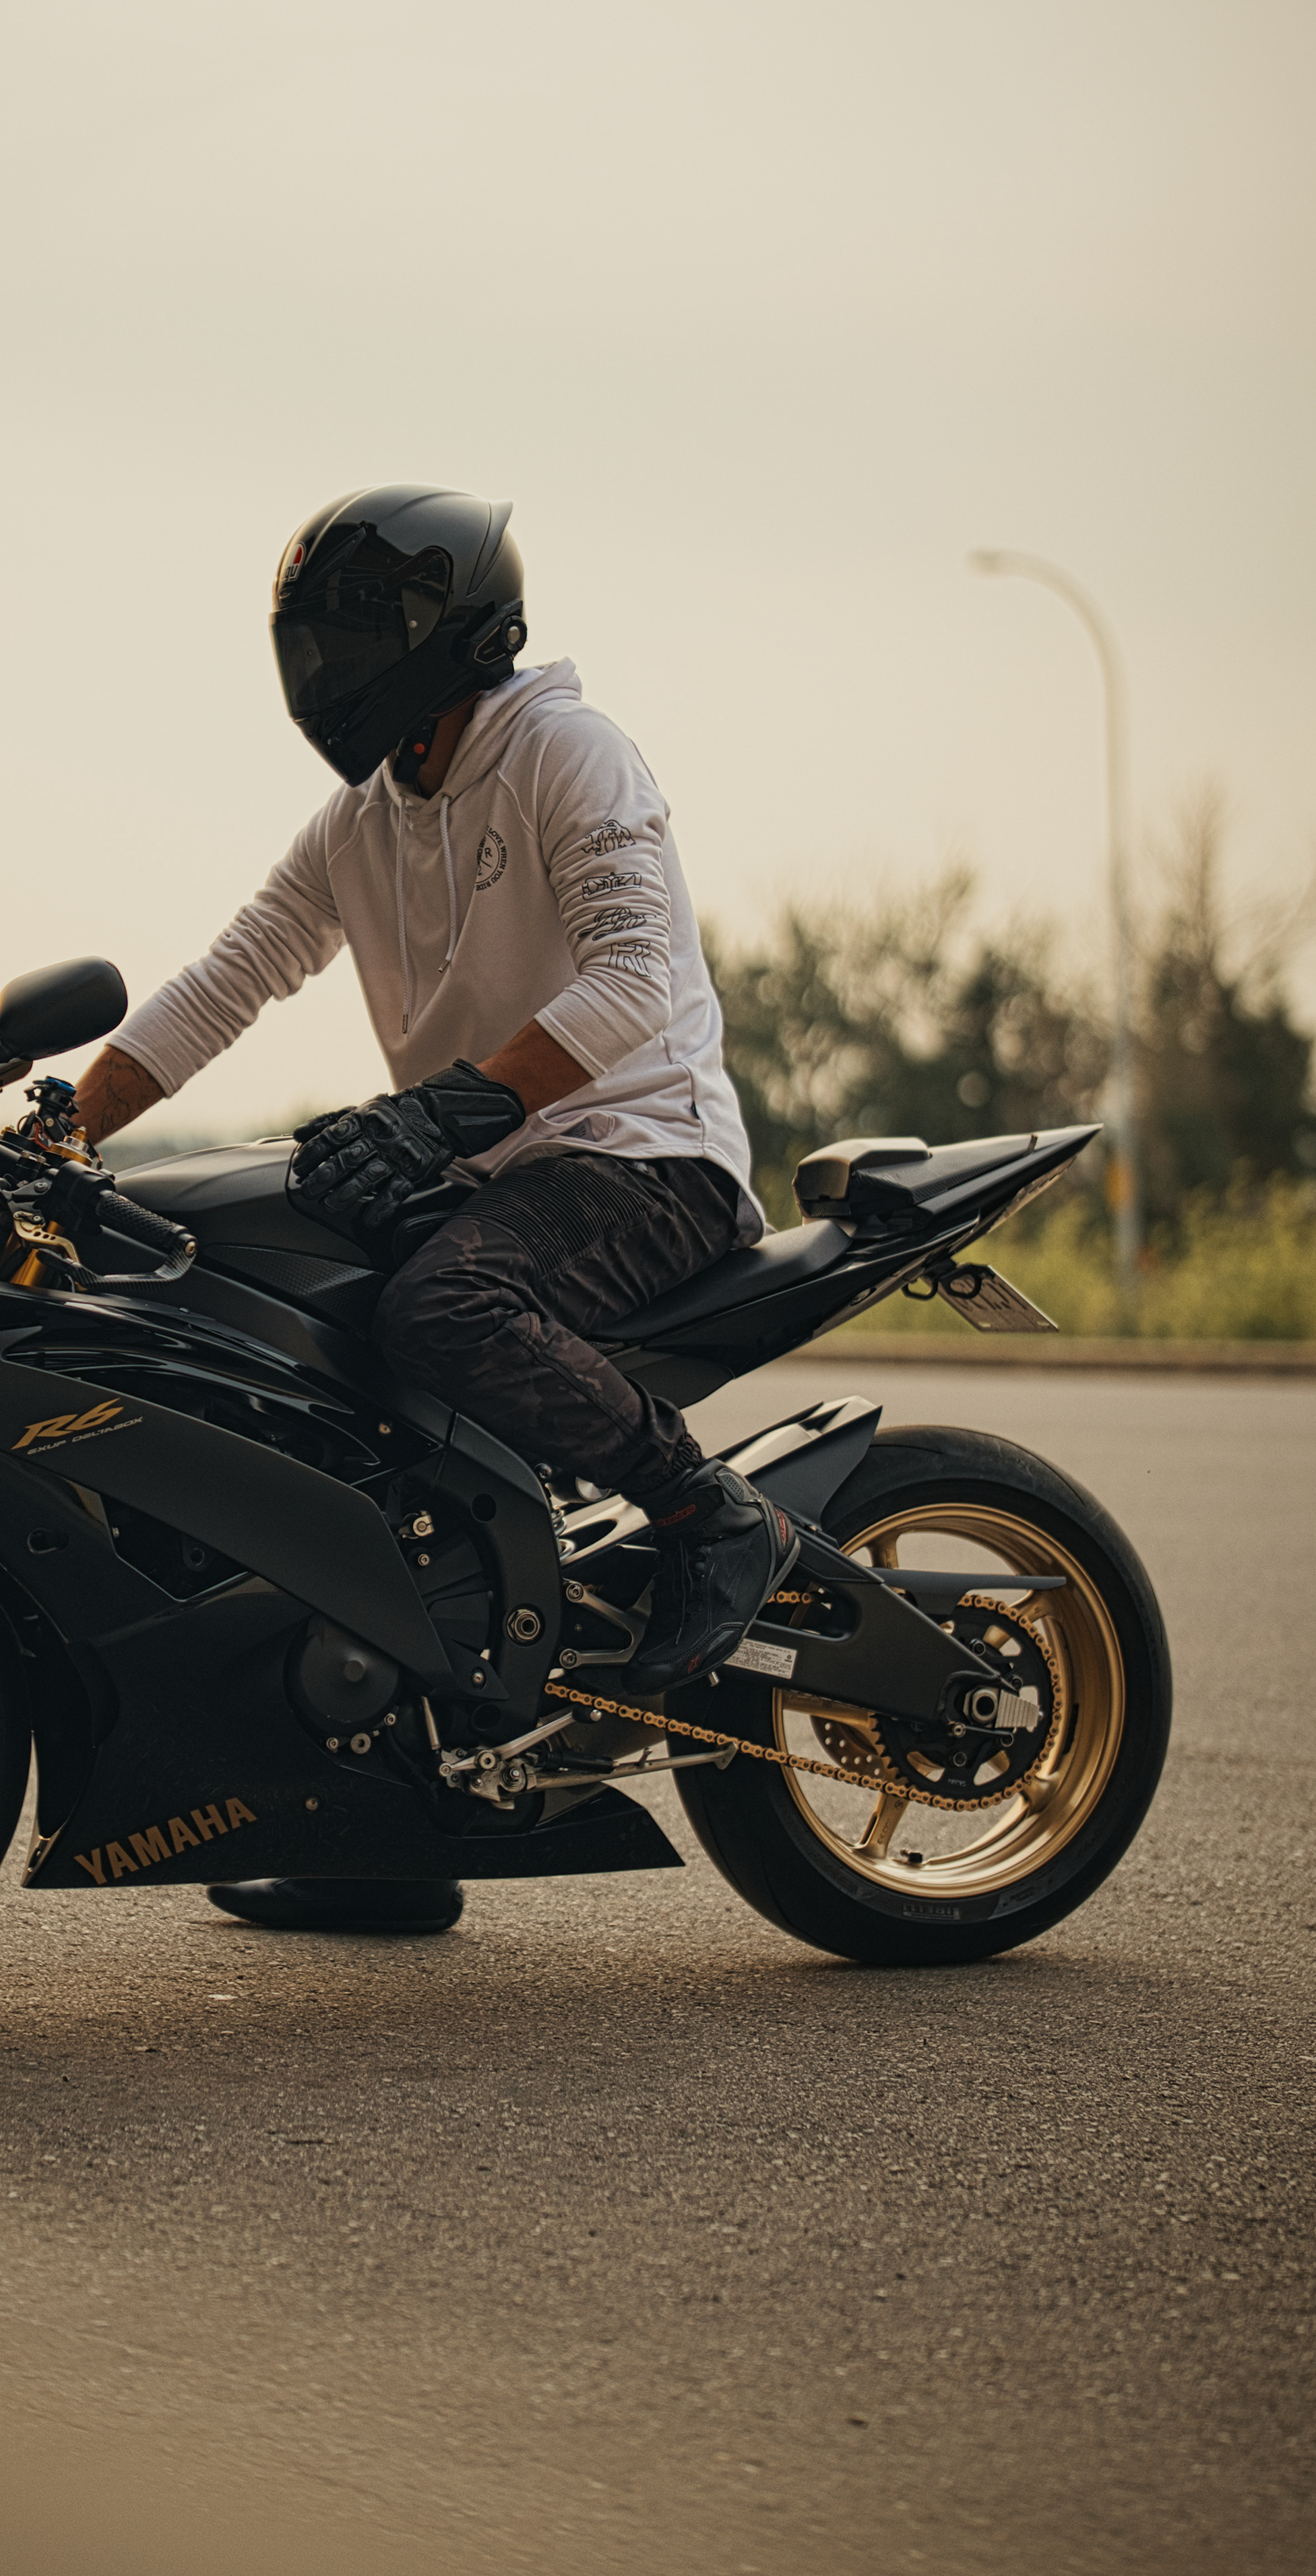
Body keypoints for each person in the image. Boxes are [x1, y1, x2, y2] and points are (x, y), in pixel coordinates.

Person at [69, 486, 786, 1939]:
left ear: (446, 632)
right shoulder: (364, 816)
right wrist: (52, 1128)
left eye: (352, 634)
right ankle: (390, 1822)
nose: (324, 670)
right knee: (259, 1318)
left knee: (437, 1309)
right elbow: (233, 977)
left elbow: (639, 982)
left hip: (644, 1158)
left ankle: (714, 1520)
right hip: (501, 1172)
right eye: (311, 641)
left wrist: (448, 1109)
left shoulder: (569, 755)